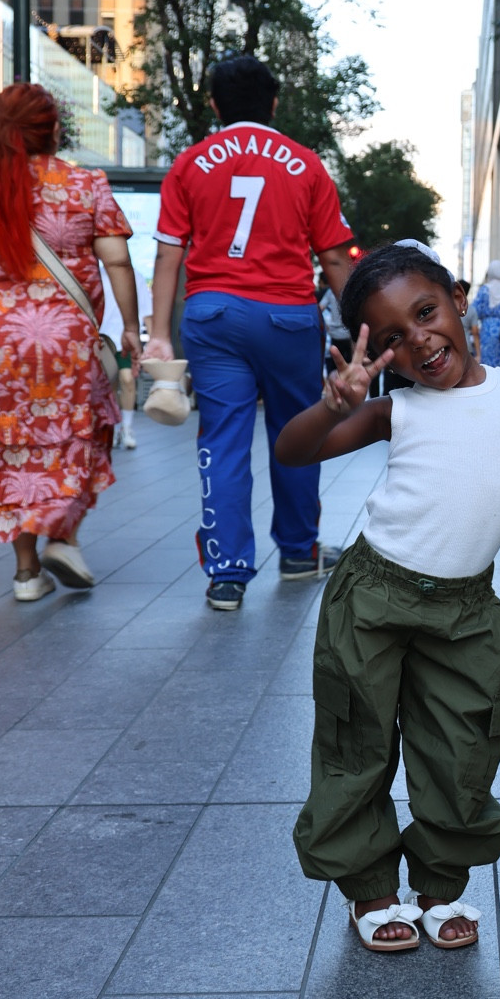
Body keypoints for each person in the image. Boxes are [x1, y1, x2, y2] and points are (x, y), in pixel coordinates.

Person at [276, 242, 500, 954]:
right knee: (355, 743)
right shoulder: (395, 409)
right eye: (391, 338)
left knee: (462, 746)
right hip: (375, 597)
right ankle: (371, 888)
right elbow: (293, 452)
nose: (418, 340)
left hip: (466, 611)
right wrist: (334, 405)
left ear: (459, 300)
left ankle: (440, 887)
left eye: (426, 313)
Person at [143, 54, 355, 611]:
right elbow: (334, 257)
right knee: (299, 431)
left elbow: (169, 256)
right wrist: (368, 328)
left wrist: (159, 335)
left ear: (214, 104)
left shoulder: (190, 164)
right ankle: (298, 551)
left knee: (223, 440)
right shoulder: (306, 164)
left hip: (213, 316)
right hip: (287, 317)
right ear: (275, 103)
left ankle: (228, 573)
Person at [0, 83, 141, 602]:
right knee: (73, 437)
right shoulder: (86, 185)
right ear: (53, 129)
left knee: (12, 450)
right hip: (68, 344)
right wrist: (129, 327)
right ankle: (64, 534)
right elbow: (117, 260)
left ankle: (27, 572)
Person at [100, 260, 152, 450]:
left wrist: (153, 341)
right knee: (108, 384)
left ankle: (127, 427)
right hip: (102, 337)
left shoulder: (135, 276)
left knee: (127, 379)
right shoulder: (95, 274)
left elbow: (147, 310)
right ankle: (112, 427)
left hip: (125, 337)